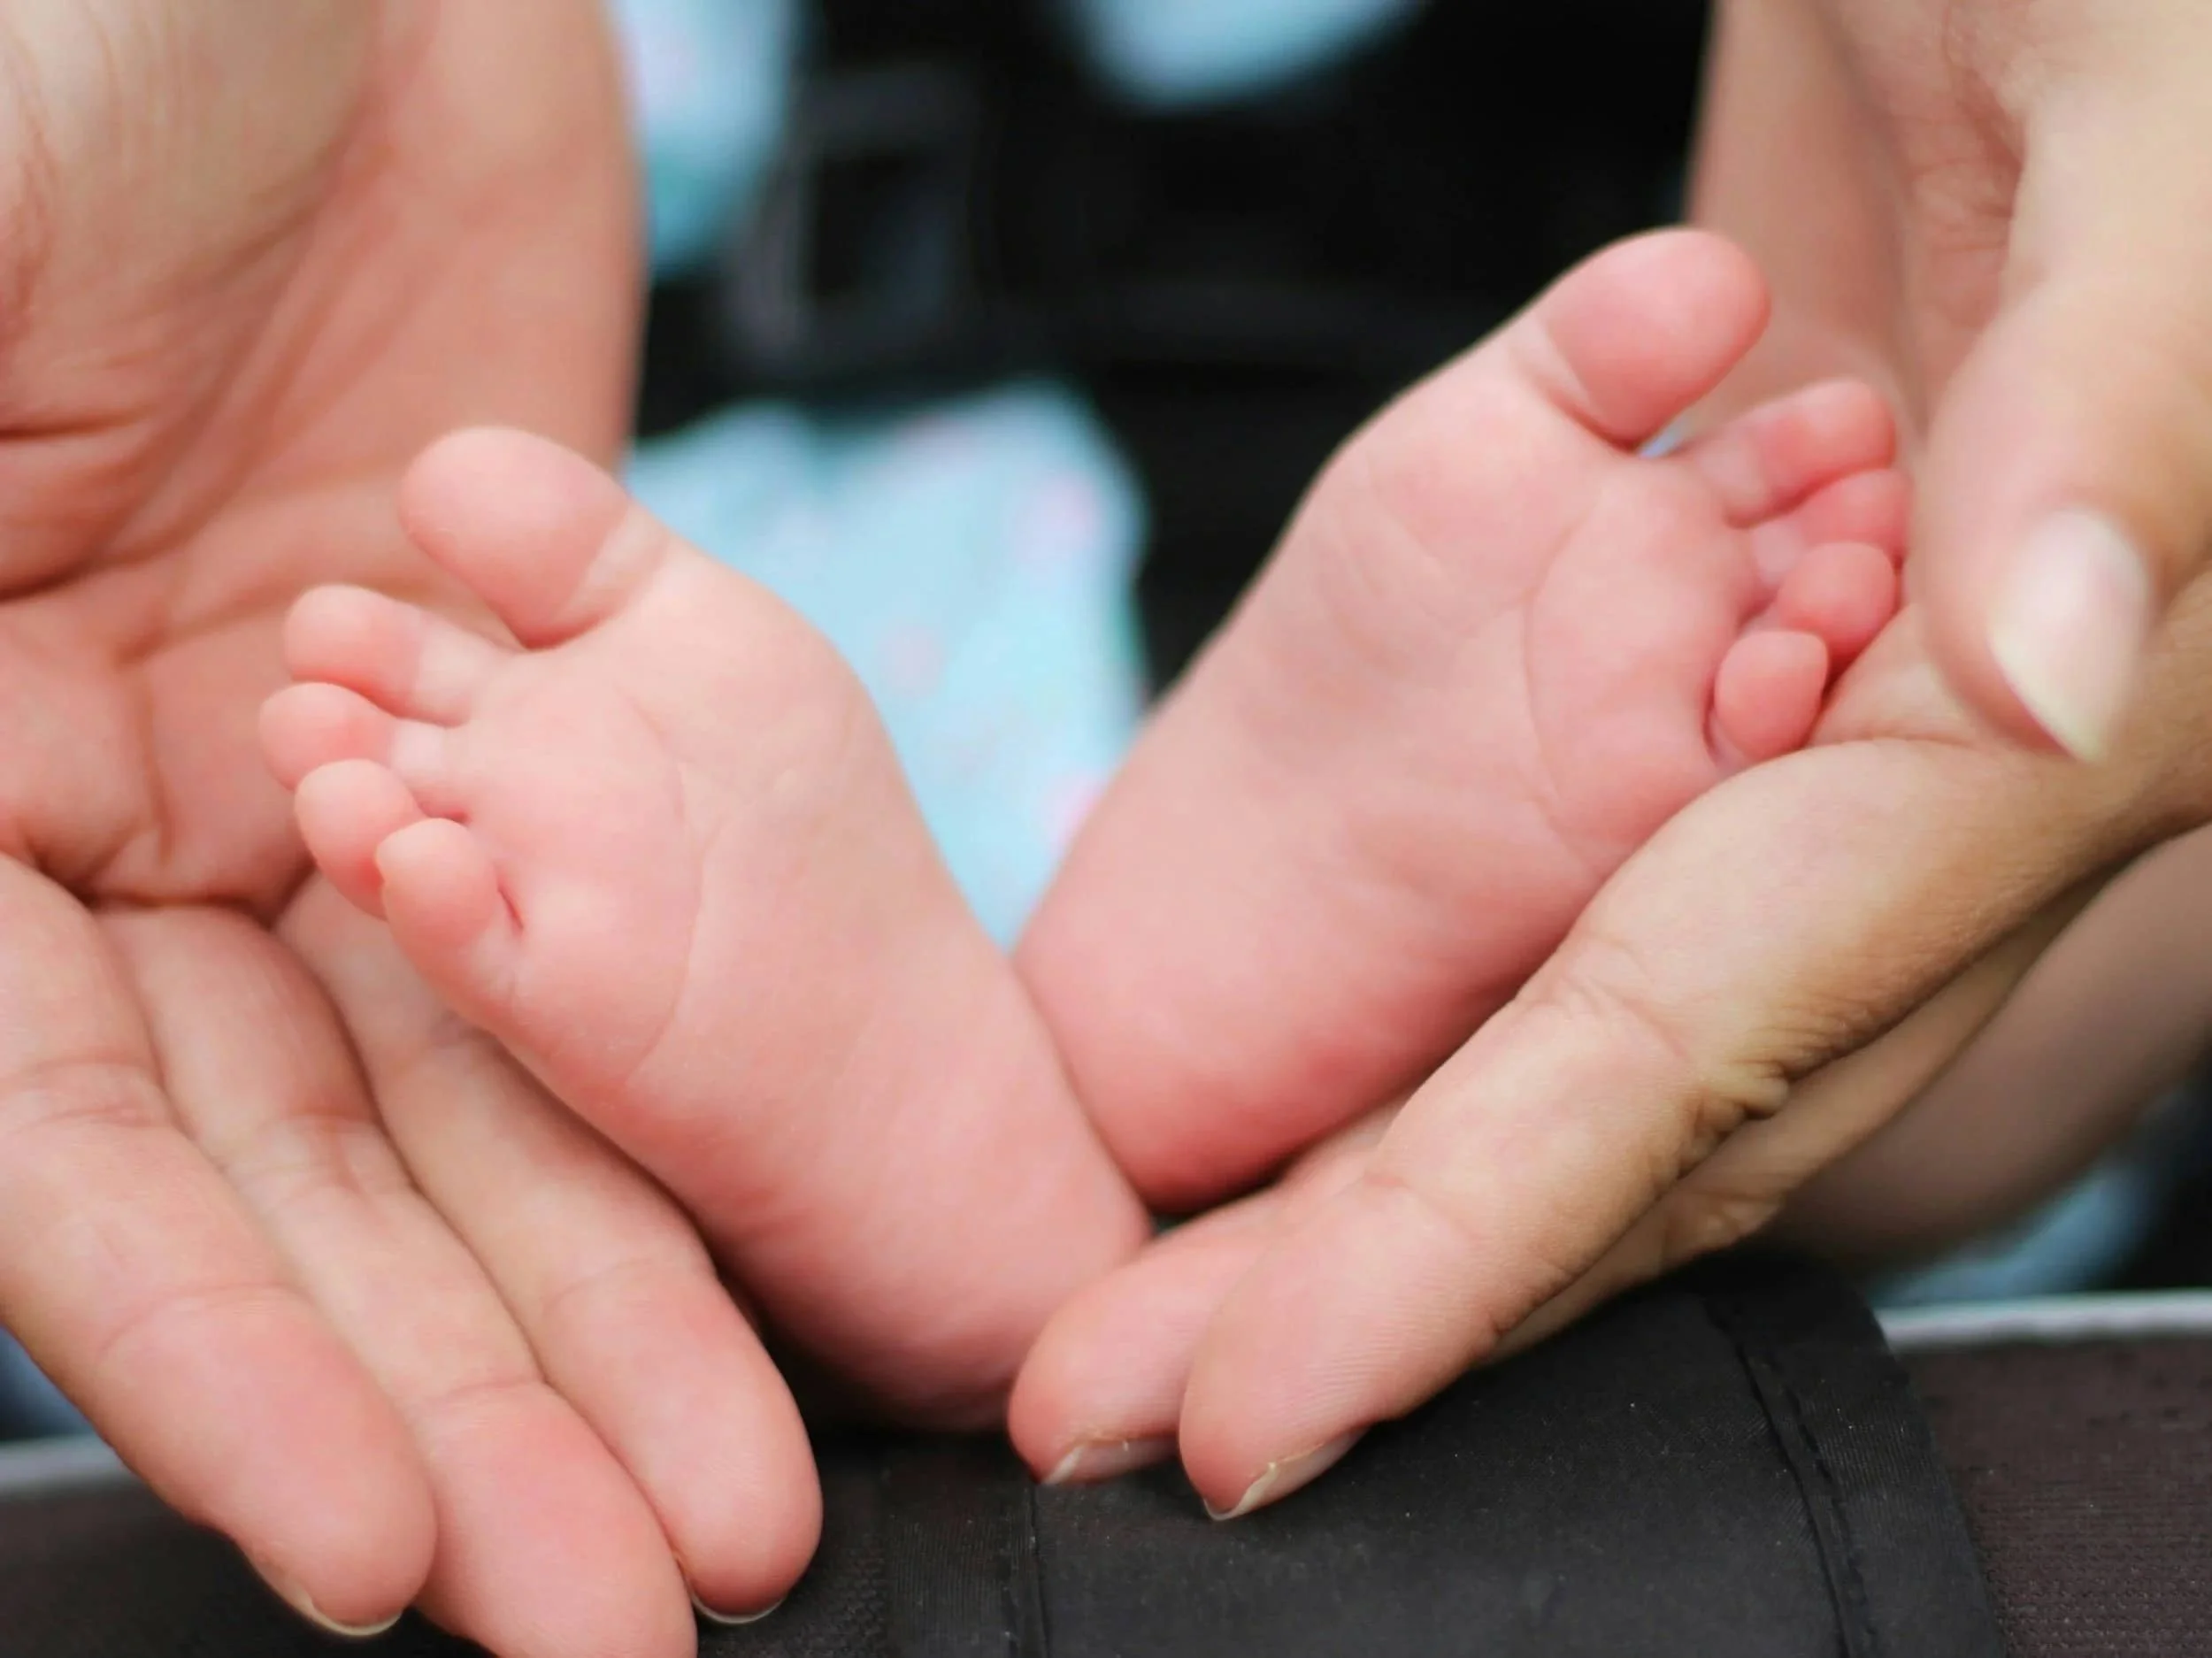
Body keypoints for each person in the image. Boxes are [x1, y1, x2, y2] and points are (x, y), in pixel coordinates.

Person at [1, 0, 2208, 1652]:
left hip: (693, 576)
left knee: (1977, 760)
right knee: (1913, 772)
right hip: (1164, 494)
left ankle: (957, 1110)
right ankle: (1036, 1077)